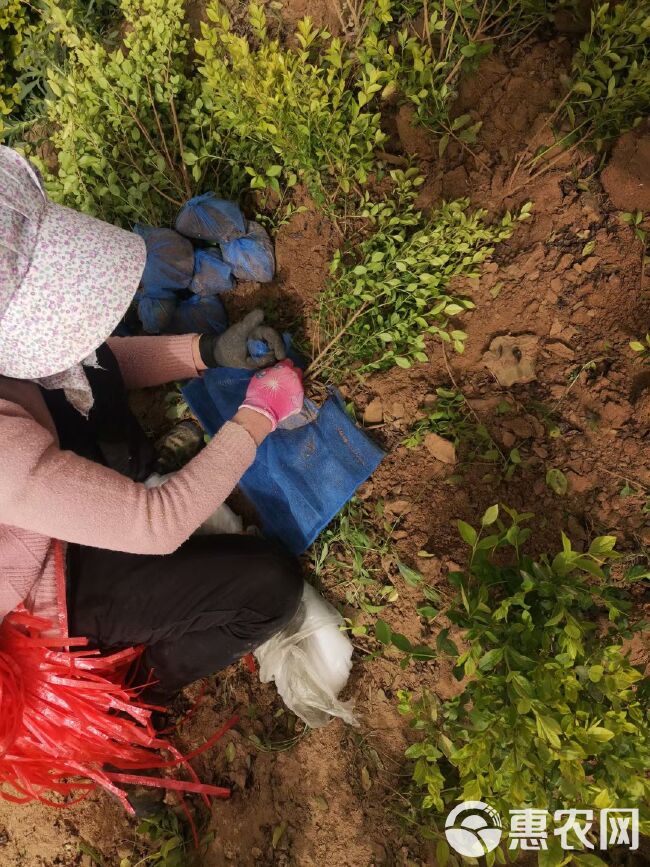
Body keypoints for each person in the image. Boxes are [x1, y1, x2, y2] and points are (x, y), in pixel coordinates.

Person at [0, 145, 305, 716]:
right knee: (269, 588)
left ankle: (126, 476)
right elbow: (156, 524)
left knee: (84, 376)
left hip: (34, 485)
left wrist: (206, 351)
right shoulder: (4, 459)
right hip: (53, 589)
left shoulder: (14, 359)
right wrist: (258, 416)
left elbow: (76, 359)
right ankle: (139, 688)